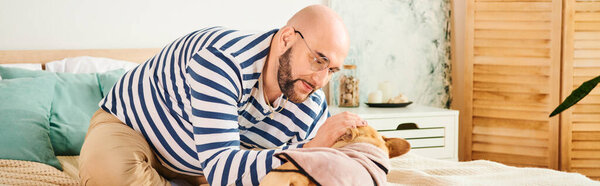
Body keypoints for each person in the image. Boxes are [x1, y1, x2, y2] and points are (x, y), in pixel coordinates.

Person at [79, 4, 367, 186]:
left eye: (332, 70)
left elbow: (305, 172)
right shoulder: (223, 62)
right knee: (107, 172)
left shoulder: (310, 101)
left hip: (209, 162)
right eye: (318, 60)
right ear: (286, 38)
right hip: (135, 130)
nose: (320, 80)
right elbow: (222, 169)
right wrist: (309, 150)